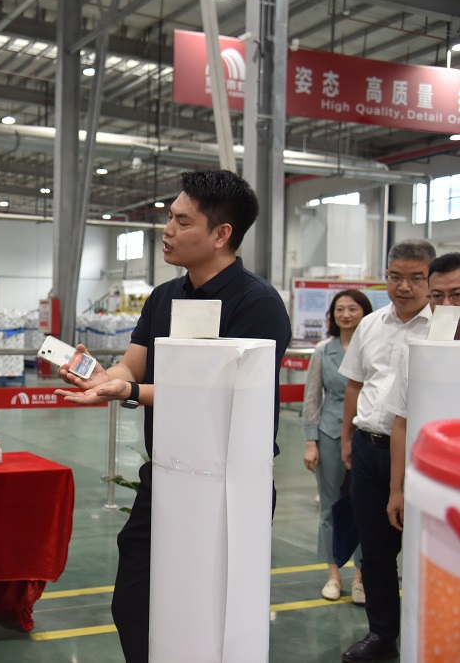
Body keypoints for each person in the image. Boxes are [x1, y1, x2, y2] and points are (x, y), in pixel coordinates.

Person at [57, 169, 292, 662]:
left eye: (182, 222)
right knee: (134, 603)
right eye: (169, 217)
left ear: (221, 234)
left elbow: (220, 393)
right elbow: (133, 364)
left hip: (229, 486)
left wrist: (127, 391)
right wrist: (103, 377)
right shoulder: (165, 296)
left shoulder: (257, 304)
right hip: (166, 472)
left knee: (209, 615)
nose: (167, 230)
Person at [338, 238, 436, 663]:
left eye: (416, 278)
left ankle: (425, 635)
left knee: (424, 552)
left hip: (421, 456)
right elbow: (355, 384)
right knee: (375, 552)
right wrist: (346, 438)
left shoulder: (444, 329)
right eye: (396, 277)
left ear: (430, 279)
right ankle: (382, 635)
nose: (404, 287)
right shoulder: (371, 324)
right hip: (369, 448)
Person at [303, 289, 372, 603]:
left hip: (367, 435)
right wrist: (311, 442)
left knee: (365, 508)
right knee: (330, 507)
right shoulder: (323, 351)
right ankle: (333, 575)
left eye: (352, 308)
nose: (346, 314)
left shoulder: (373, 348)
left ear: (365, 312)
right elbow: (312, 399)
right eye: (340, 309)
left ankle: (361, 576)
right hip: (330, 434)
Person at [386, 251, 460, 531]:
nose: (447, 305)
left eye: (457, 295)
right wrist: (397, 489)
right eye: (437, 296)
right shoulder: (418, 353)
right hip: (431, 479)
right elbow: (401, 422)